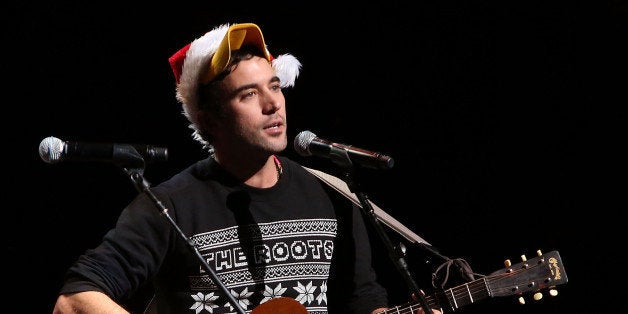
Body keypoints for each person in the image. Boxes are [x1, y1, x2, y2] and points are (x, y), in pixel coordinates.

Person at [52, 22, 440, 314]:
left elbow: (362, 299)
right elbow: (74, 300)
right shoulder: (170, 205)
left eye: (275, 86)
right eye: (249, 94)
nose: (273, 105)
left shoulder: (332, 193)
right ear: (209, 120)